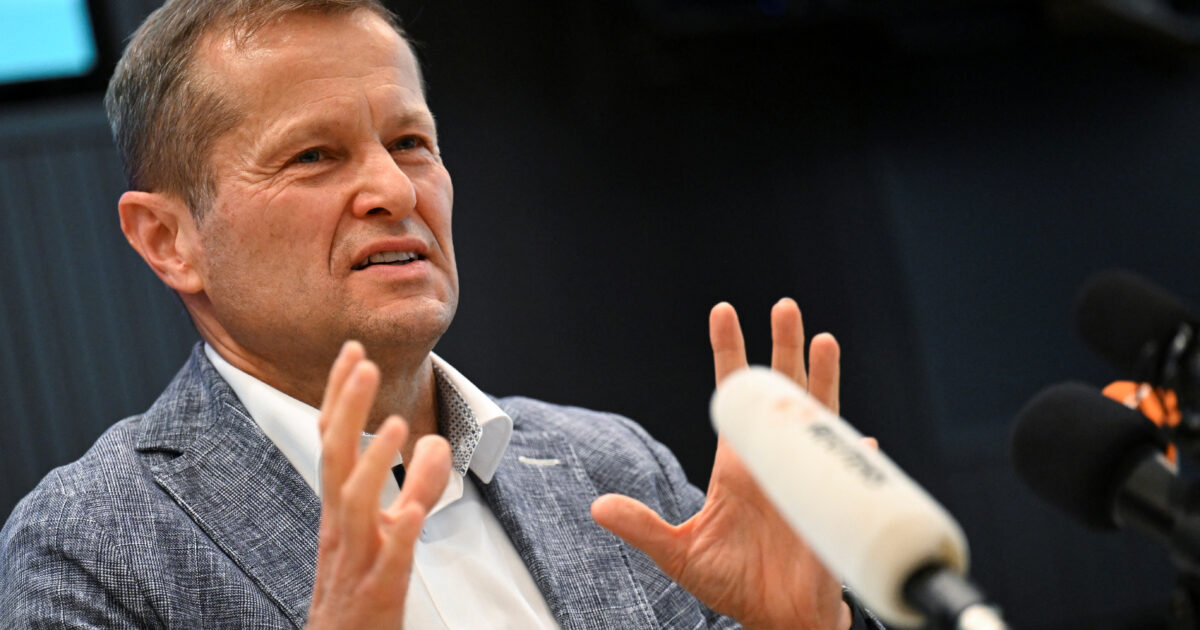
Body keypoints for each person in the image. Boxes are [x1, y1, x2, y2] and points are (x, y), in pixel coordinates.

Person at [0, 1, 884, 628]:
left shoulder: (612, 468)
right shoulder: (93, 546)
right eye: (313, 156)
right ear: (168, 240)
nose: (394, 189)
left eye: (410, 142)